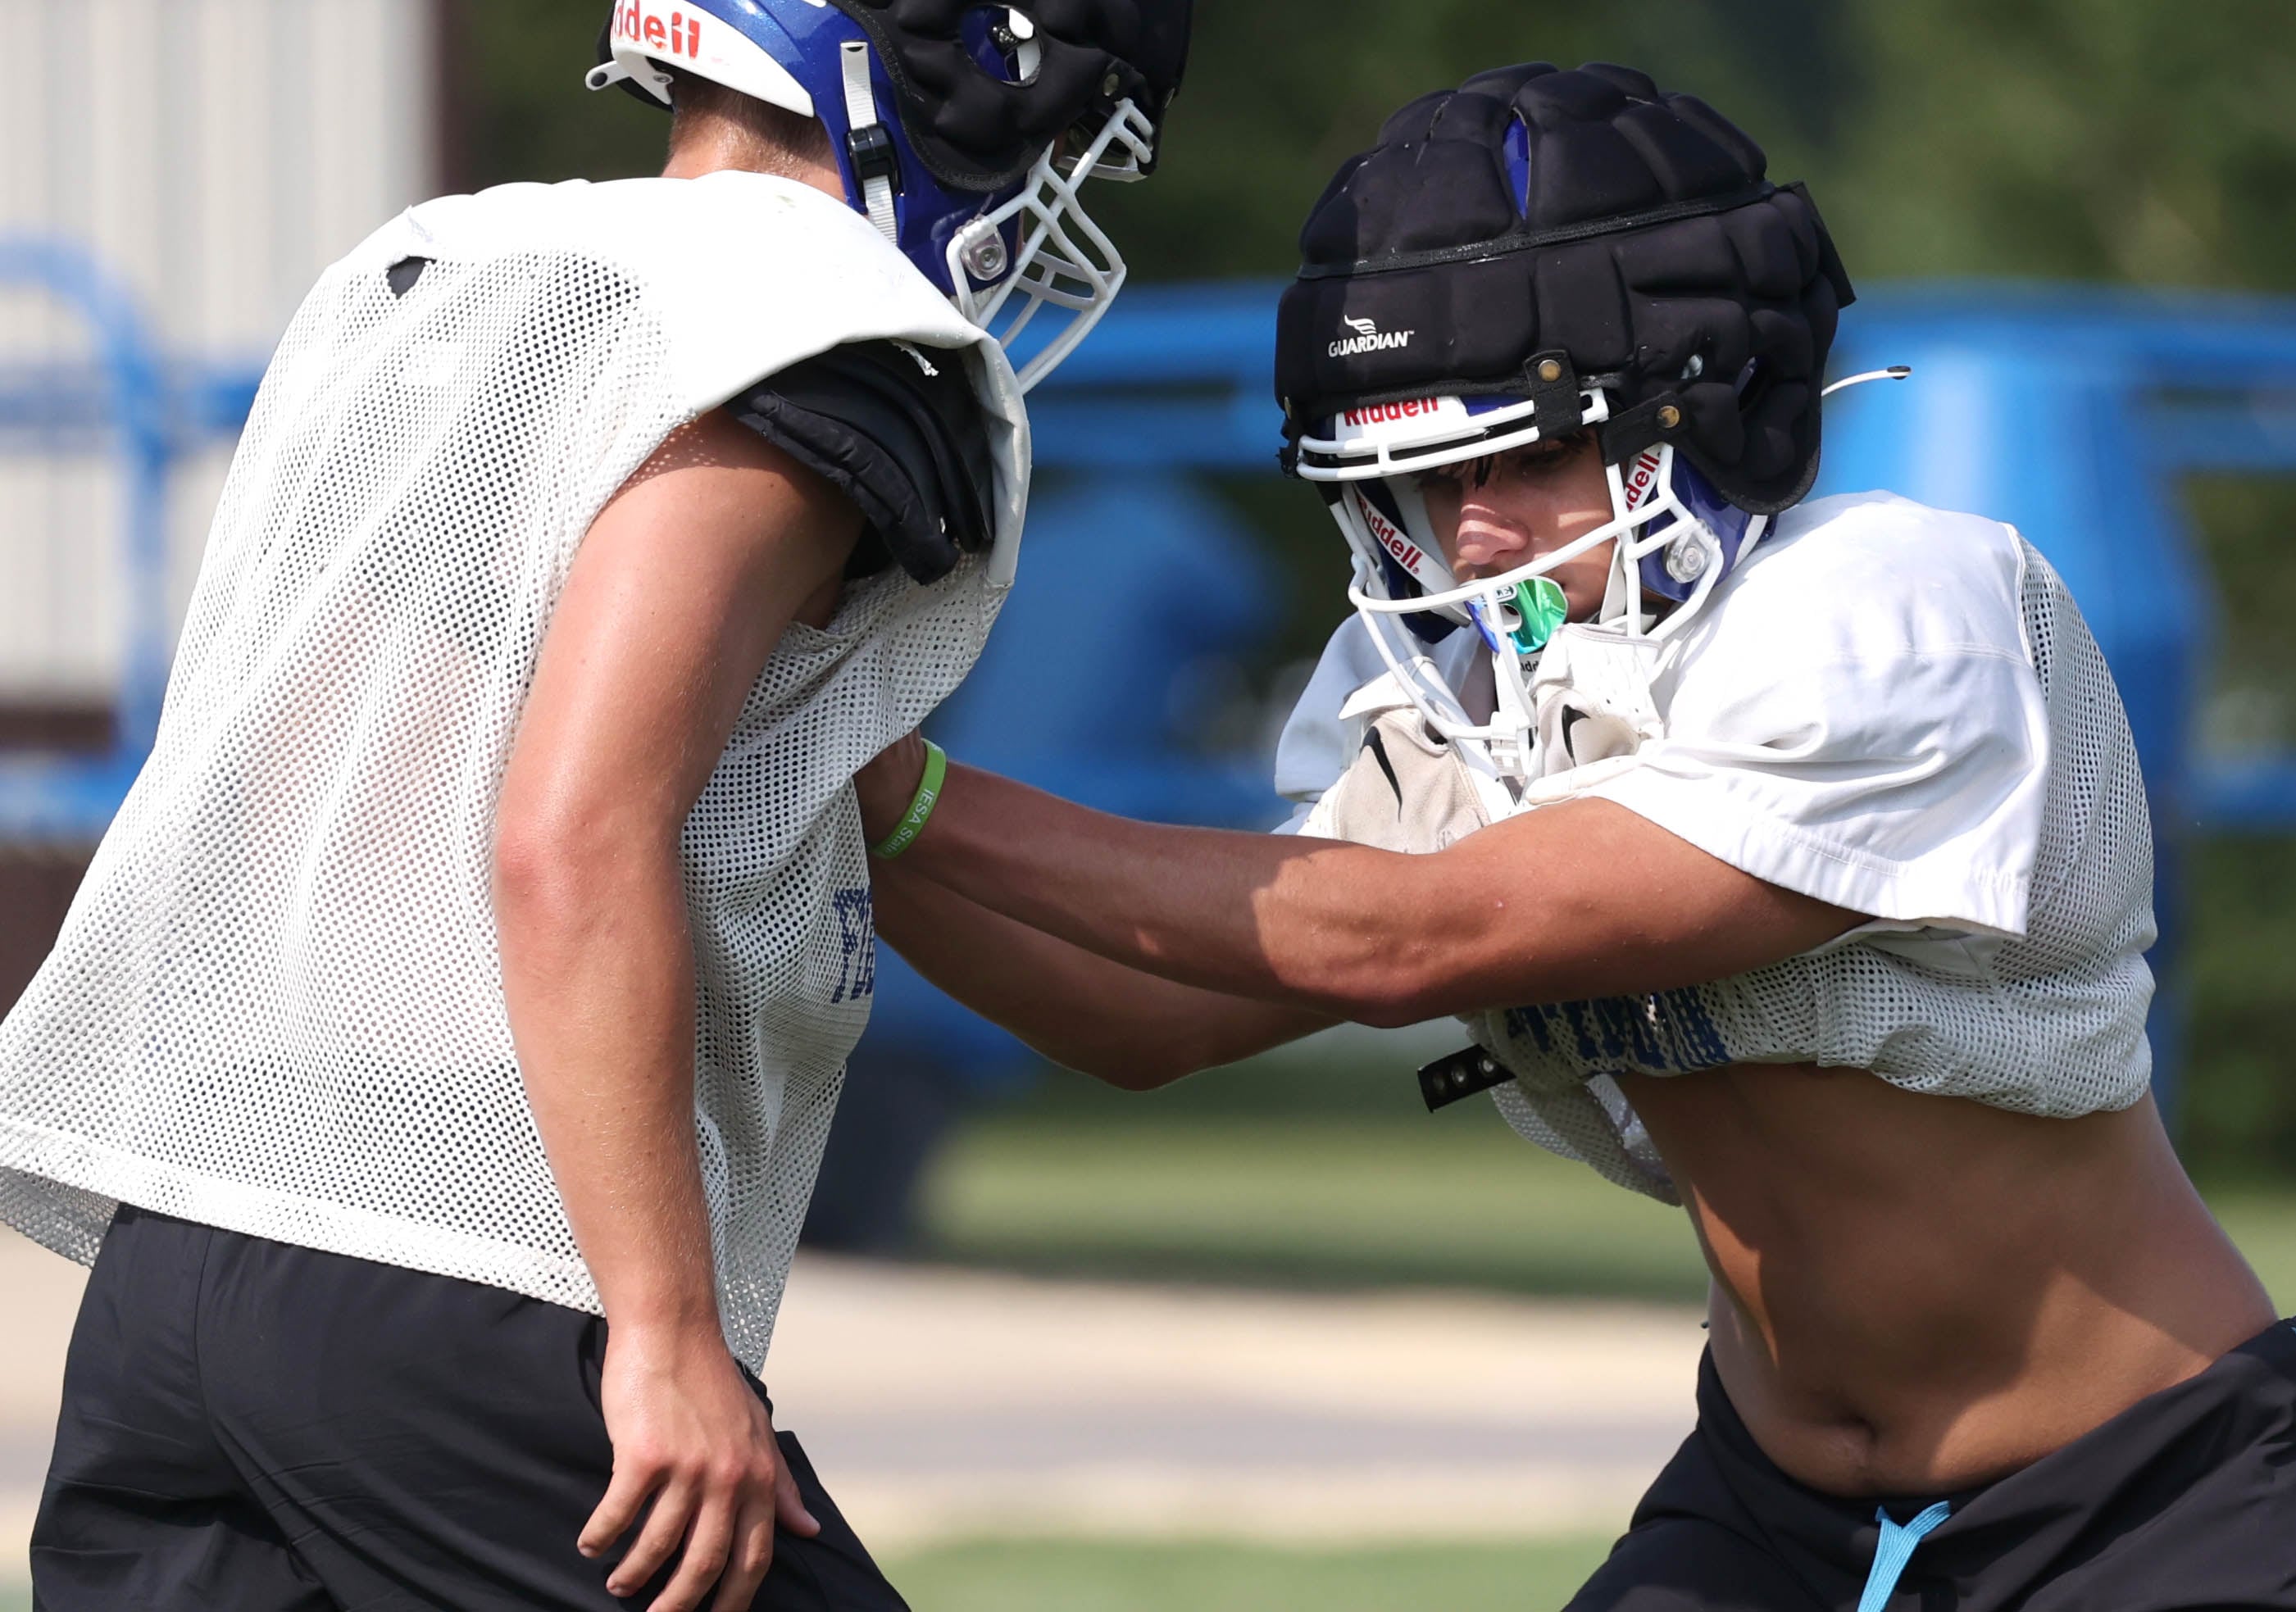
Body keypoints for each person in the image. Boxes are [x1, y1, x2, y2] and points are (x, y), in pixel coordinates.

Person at [853, 62, 2295, 1610]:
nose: (1468, 535)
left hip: (2142, 1495)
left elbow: (1405, 940)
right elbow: (1149, 1020)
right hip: (1768, 1508)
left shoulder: (1889, 613)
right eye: (1421, 472)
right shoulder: (1461, 692)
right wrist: (822, 780)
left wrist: (907, 791)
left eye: (1521, 459)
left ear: (1703, 406)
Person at [0, 3, 1189, 1609]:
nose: (1055, 177)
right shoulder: (812, 335)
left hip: (191, 1250)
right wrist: (665, 1328)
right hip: (466, 1275)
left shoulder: (450, 271)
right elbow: (570, 833)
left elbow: (343, 782)